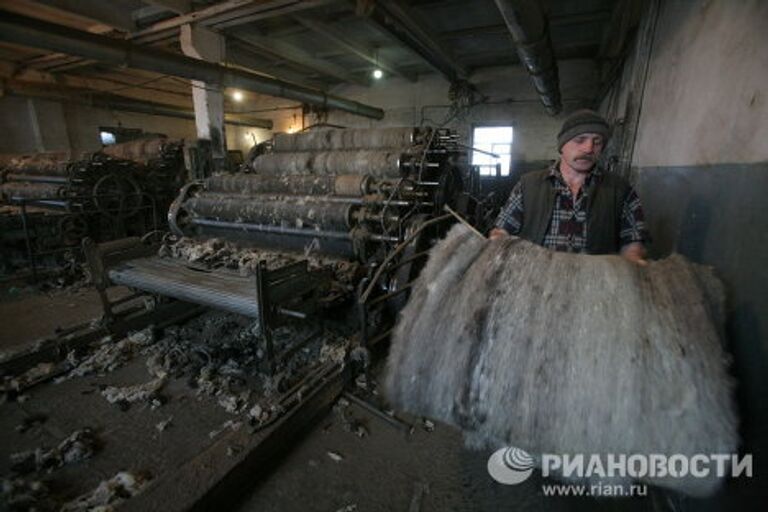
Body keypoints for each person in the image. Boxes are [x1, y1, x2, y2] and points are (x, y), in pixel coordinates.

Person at [489, 109, 649, 264]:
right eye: (580, 140)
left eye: (597, 142)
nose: (588, 149)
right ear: (562, 146)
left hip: (594, 285)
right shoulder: (527, 186)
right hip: (536, 282)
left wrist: (631, 261)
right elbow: (503, 231)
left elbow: (633, 244)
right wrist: (498, 241)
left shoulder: (620, 190)